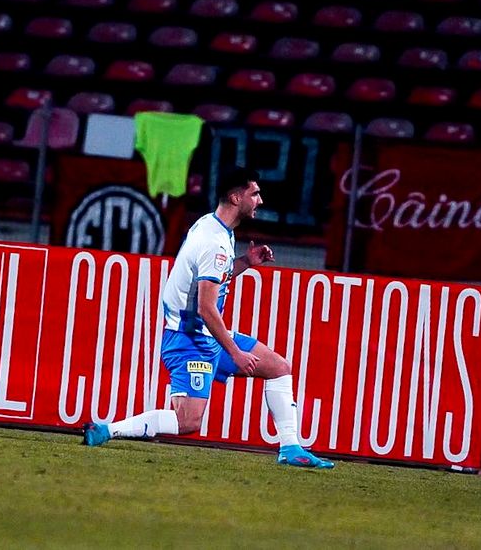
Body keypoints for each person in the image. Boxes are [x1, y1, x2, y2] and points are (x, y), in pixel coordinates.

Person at [82, 167, 334, 469]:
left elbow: (211, 279)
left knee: (279, 368)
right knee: (187, 421)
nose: (260, 200)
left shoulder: (213, 226)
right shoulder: (213, 243)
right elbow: (205, 307)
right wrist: (235, 353)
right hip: (190, 340)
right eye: (255, 193)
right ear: (236, 197)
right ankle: (106, 430)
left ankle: (291, 448)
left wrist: (245, 262)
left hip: (204, 334)